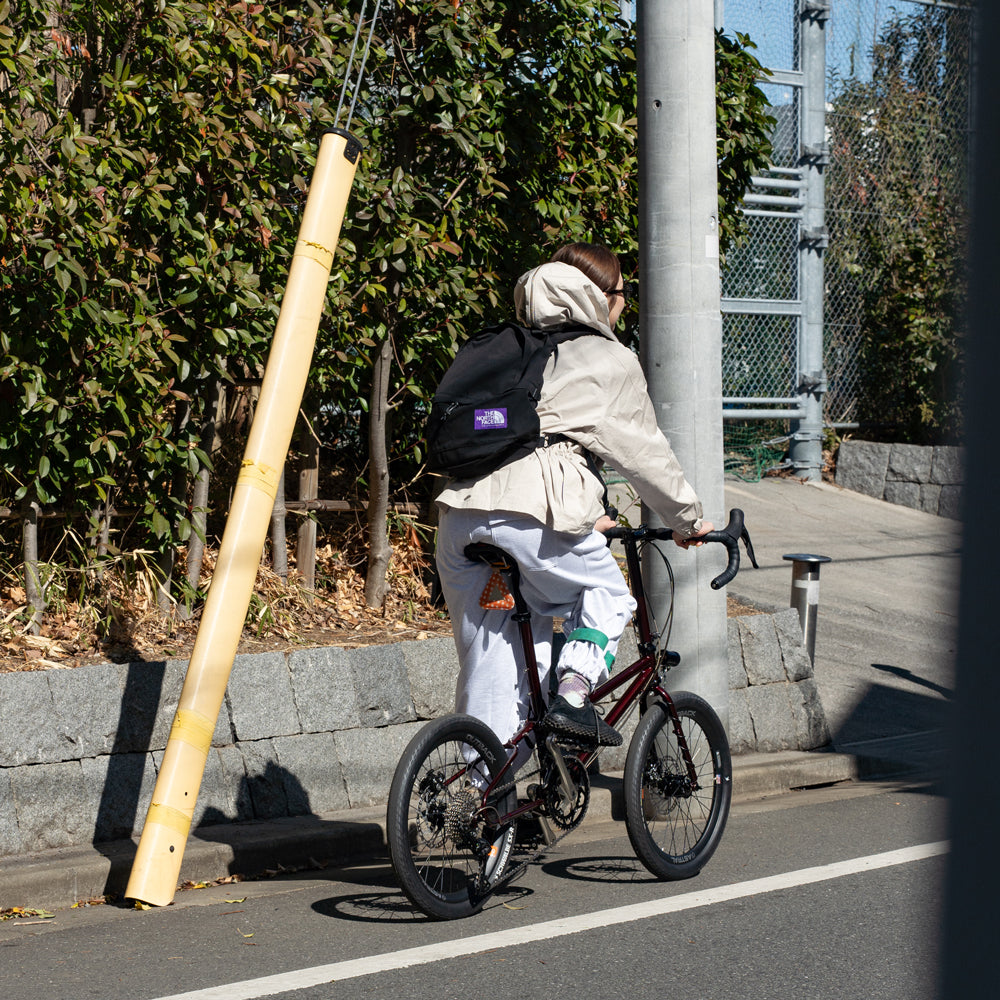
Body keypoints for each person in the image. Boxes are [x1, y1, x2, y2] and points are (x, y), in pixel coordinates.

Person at [434, 242, 713, 756]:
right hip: (534, 513)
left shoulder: (511, 347)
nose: (626, 304)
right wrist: (687, 519)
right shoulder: (606, 358)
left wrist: (589, 518)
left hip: (459, 516)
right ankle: (574, 695)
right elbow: (647, 456)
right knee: (608, 597)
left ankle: (485, 811)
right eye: (625, 293)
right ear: (603, 295)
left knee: (496, 676)